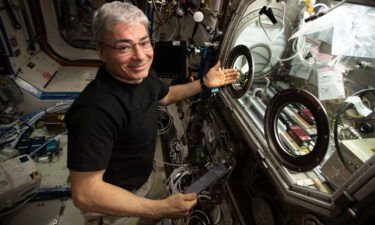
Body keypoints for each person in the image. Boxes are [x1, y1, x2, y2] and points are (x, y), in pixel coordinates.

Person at [65, 1, 240, 224]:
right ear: (101, 51)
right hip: (113, 202)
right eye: (123, 47)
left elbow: (165, 95)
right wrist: (158, 209)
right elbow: (86, 193)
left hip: (145, 178)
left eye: (144, 43)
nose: (140, 56)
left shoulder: (142, 75)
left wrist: (204, 83)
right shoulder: (94, 112)